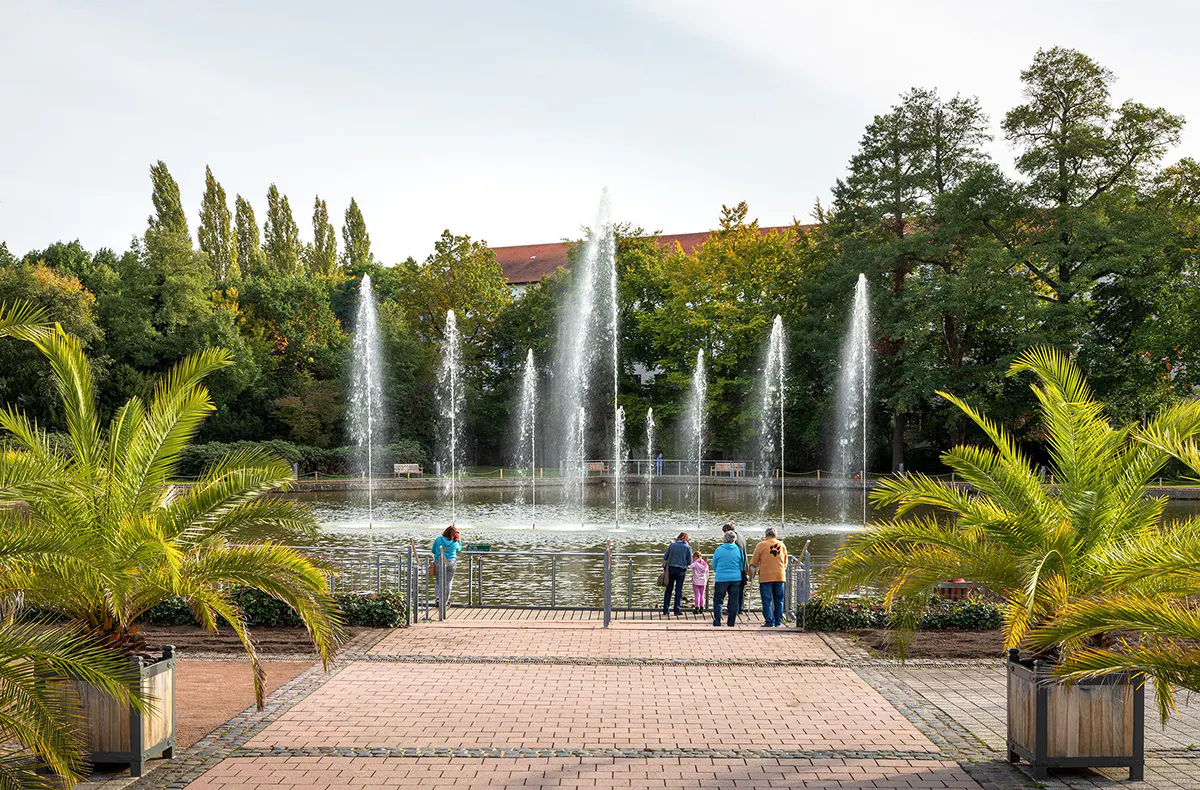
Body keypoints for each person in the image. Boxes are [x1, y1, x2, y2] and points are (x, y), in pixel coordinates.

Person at [750, 527, 788, 627]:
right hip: (780, 576)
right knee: (779, 600)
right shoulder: (782, 545)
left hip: (765, 576)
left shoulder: (761, 545)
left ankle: (769, 621)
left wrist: (751, 575)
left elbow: (754, 562)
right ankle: (778, 621)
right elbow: (785, 562)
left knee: (767, 600)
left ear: (766, 535)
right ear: (776, 535)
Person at [711, 531, 745, 626]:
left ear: (724, 539)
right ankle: (731, 622)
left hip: (721, 578)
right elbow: (742, 565)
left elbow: (714, 564)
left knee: (718, 600)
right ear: (734, 539)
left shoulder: (719, 549)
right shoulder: (739, 550)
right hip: (735, 578)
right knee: (734, 601)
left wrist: (718, 571)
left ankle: (717, 621)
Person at [661, 532, 693, 616]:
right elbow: (690, 561)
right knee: (678, 591)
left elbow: (665, 557)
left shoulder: (672, 545)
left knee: (668, 589)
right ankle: (677, 610)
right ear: (687, 539)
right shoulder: (688, 547)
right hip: (681, 571)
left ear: (678, 538)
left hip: (671, 569)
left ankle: (665, 609)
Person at [430, 525, 463, 606]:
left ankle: (438, 599)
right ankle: (445, 601)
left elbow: (433, 550)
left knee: (439, 581)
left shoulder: (438, 539)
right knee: (448, 582)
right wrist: (459, 540)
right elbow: (459, 550)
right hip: (451, 562)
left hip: (440, 561)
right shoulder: (455, 542)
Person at [722, 523, 749, 614]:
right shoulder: (740, 536)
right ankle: (740, 608)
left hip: (738, 567)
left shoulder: (733, 539)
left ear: (727, 531)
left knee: (733, 590)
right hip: (743, 566)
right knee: (740, 589)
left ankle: (733, 609)